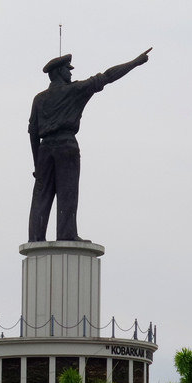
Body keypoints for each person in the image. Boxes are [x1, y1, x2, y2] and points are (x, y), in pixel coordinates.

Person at [27, 48, 151, 242]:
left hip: (44, 150)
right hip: (66, 146)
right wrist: (135, 62)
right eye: (68, 69)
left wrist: (37, 164)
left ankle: (35, 237)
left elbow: (33, 133)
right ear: (59, 71)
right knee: (67, 194)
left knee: (40, 197)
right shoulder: (74, 91)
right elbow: (107, 76)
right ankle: (66, 234)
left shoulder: (39, 99)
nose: (70, 73)